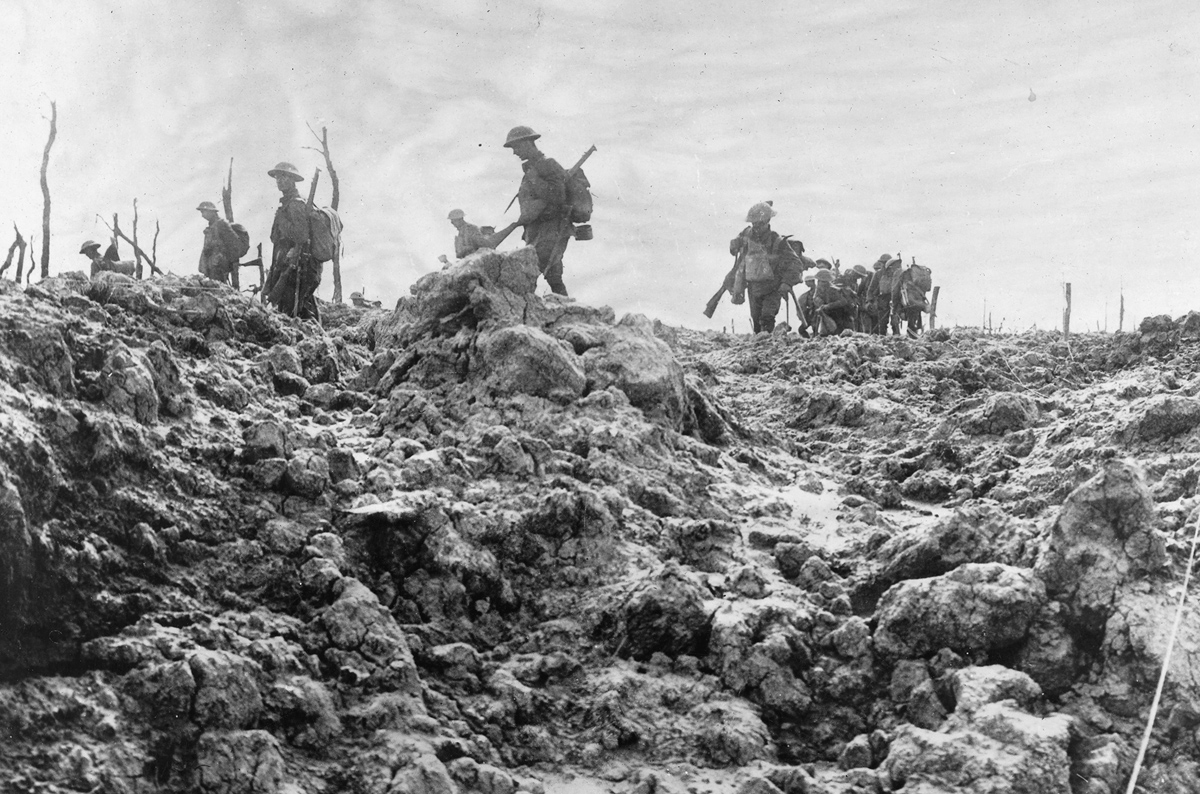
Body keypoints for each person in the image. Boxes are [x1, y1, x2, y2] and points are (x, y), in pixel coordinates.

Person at [504, 126, 572, 295]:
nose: (514, 152)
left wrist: (535, 179)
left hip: (550, 227)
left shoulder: (548, 164)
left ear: (527, 143)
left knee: (533, 269)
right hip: (535, 229)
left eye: (516, 147)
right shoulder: (532, 168)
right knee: (551, 274)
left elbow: (557, 196)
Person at [728, 201, 804, 334]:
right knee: (757, 323)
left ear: (768, 221)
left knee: (767, 318)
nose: (756, 227)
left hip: (772, 287)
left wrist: (786, 282)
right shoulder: (746, 235)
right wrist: (733, 246)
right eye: (754, 224)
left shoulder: (777, 241)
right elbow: (735, 247)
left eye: (760, 223)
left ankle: (768, 348)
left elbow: (795, 263)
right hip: (753, 287)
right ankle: (760, 350)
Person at [262, 161, 320, 320]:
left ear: (293, 180)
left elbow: (301, 235)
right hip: (285, 263)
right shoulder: (287, 203)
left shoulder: (295, 204)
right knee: (289, 309)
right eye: (277, 177)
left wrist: (282, 221)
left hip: (295, 266)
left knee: (289, 312)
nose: (279, 180)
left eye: (284, 177)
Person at [197, 201, 242, 289]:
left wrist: (223, 257)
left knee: (218, 289)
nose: (202, 215)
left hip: (219, 266)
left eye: (203, 212)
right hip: (211, 265)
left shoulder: (222, 224)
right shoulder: (212, 226)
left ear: (211, 211)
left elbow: (234, 243)